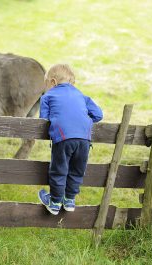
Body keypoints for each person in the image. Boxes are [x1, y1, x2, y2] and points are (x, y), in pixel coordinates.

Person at [38, 64, 103, 215]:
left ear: (52, 82)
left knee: (59, 170)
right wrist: (81, 122)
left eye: (46, 83)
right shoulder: (81, 96)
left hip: (63, 138)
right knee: (77, 170)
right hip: (84, 140)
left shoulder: (47, 96)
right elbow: (98, 115)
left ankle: (54, 202)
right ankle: (69, 200)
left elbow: (43, 119)